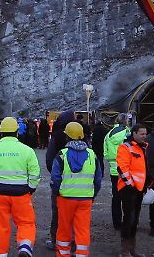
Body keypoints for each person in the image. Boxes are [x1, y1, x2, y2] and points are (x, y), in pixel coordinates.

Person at [0, 116, 39, 257]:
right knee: (26, 223)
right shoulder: (27, 150)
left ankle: (0, 254)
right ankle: (25, 247)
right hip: (21, 193)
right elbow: (35, 172)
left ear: (1, 132)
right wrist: (31, 188)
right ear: (17, 132)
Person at [52, 122, 102, 257]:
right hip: (85, 199)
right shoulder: (92, 155)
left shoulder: (62, 154)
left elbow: (55, 178)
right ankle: (81, 254)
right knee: (82, 230)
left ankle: (63, 254)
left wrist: (57, 192)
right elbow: (98, 179)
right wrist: (92, 194)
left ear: (67, 137)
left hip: (65, 198)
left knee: (64, 229)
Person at [44, 110, 76, 250]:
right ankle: (74, 240)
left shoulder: (56, 136)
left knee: (57, 212)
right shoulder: (81, 135)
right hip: (79, 183)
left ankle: (56, 239)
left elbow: (49, 159)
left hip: (61, 180)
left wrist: (55, 174)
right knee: (76, 213)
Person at [115, 123, 148, 257]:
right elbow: (122, 168)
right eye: (142, 134)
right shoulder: (125, 147)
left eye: (145, 134)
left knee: (135, 219)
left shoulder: (143, 147)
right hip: (128, 189)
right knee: (129, 218)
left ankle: (131, 249)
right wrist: (130, 185)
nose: (144, 136)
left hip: (138, 188)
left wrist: (147, 183)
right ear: (134, 133)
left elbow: (145, 167)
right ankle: (125, 250)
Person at [102, 113, 129, 230]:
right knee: (128, 198)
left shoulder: (108, 134)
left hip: (113, 170)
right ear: (126, 121)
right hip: (126, 169)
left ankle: (116, 223)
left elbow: (105, 152)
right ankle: (128, 221)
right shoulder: (127, 133)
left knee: (116, 197)